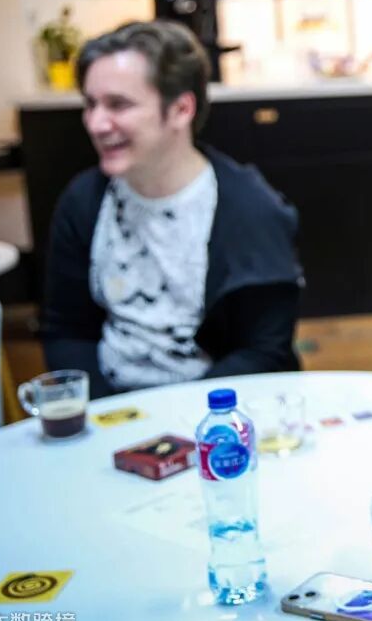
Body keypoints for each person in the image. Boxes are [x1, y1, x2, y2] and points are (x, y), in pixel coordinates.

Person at [42, 21, 304, 398]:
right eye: (90, 104)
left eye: (118, 105)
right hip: (110, 406)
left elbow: (263, 351)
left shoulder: (251, 210)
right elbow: (66, 331)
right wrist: (107, 415)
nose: (96, 124)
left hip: (217, 407)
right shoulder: (84, 201)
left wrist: (177, 417)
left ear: (181, 109)